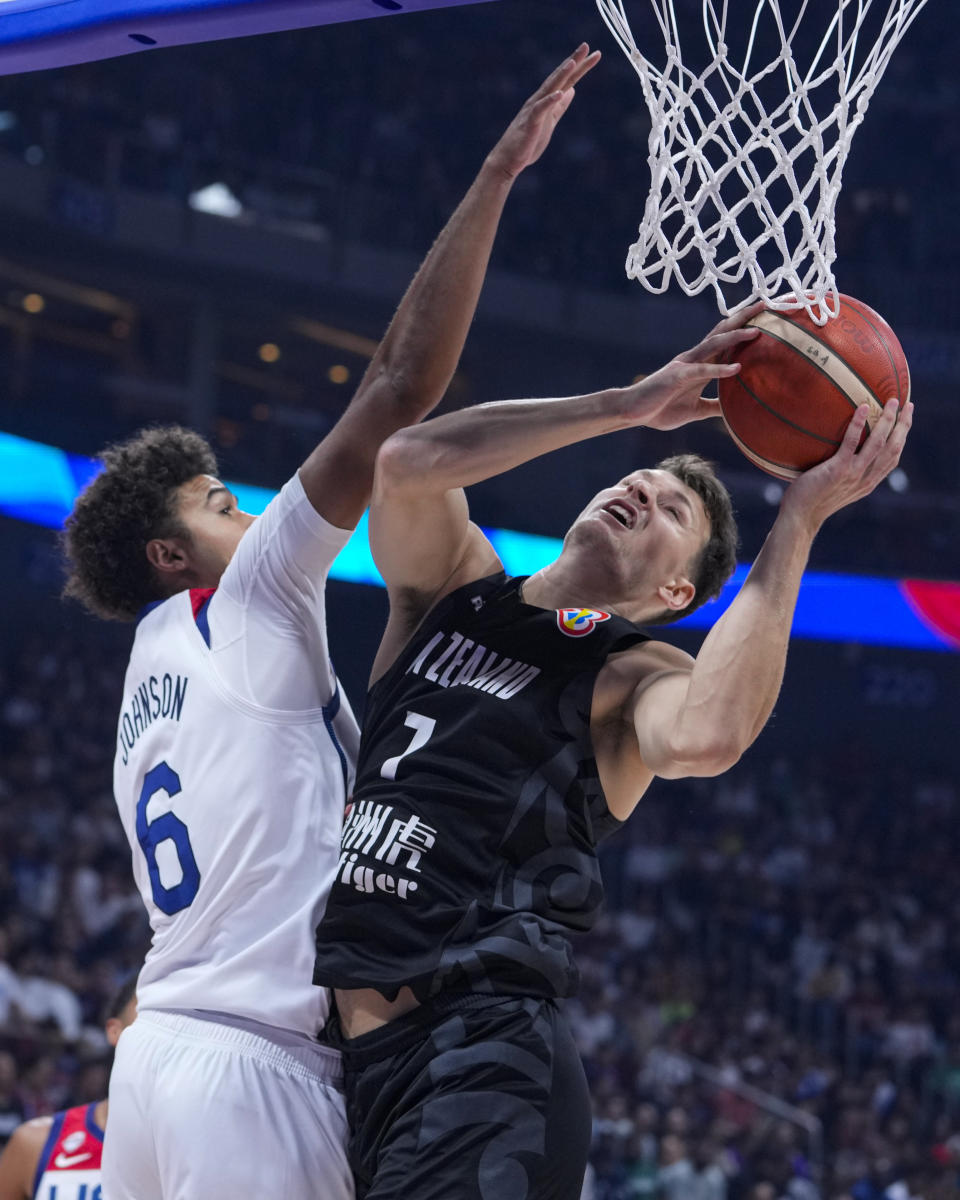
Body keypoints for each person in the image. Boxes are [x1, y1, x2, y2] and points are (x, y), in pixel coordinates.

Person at [60, 45, 600, 1200]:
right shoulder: (245, 594)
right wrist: (498, 175)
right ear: (169, 556)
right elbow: (399, 390)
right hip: (253, 1066)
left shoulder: (144, 682)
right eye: (218, 505)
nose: (248, 509)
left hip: (153, 1064)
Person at [312, 313, 912, 1197]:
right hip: (354, 1066)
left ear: (677, 591)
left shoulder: (631, 673)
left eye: (674, 511)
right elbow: (402, 462)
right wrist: (623, 407)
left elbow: (709, 734)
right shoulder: (453, 586)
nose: (643, 489)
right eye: (640, 478)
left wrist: (800, 521)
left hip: (485, 1062)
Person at [0, 973, 137, 1200]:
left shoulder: (204, 1152)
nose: (165, 1032)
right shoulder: (35, 1143)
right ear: (115, 1031)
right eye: (151, 1016)